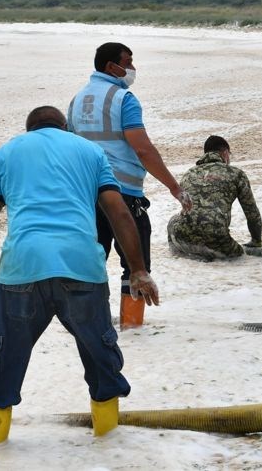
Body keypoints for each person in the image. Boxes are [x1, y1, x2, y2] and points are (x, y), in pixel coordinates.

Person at [0, 106, 160, 449]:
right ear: (64, 127)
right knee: (100, 357)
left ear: (29, 129)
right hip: (81, 265)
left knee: (2, 360)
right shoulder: (89, 151)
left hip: (22, 268)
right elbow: (118, 212)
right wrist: (138, 270)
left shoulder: (6, 153)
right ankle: (110, 446)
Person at [68, 42, 191, 329]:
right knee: (136, 266)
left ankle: (90, 323)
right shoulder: (124, 99)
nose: (133, 68)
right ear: (112, 67)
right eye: (129, 61)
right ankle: (132, 326)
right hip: (123, 193)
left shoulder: (76, 100)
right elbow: (143, 150)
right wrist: (174, 187)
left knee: (92, 261)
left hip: (86, 196)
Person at [167, 135, 262, 261]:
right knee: (234, 251)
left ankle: (178, 252)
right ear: (225, 153)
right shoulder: (236, 174)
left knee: (174, 220)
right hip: (218, 241)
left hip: (181, 237)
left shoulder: (188, 174)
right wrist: (256, 241)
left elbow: (191, 211)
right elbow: (252, 212)